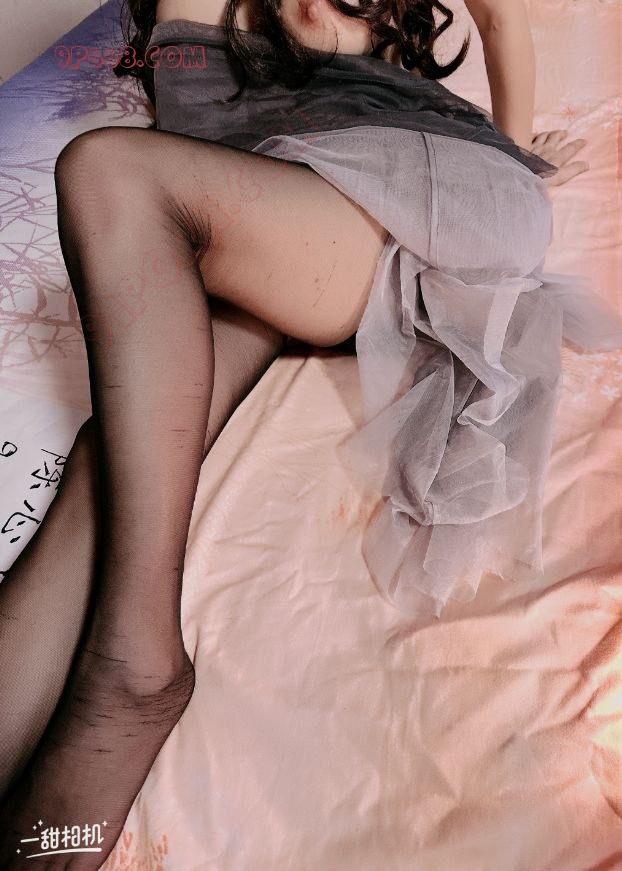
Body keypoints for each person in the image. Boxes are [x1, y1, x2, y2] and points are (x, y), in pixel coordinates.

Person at [0, 0, 614, 866]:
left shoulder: (375, 52)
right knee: (121, 454)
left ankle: (135, 661)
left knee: (107, 171)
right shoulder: (193, 18)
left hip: (418, 182)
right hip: (272, 219)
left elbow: (502, 17)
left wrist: (518, 148)